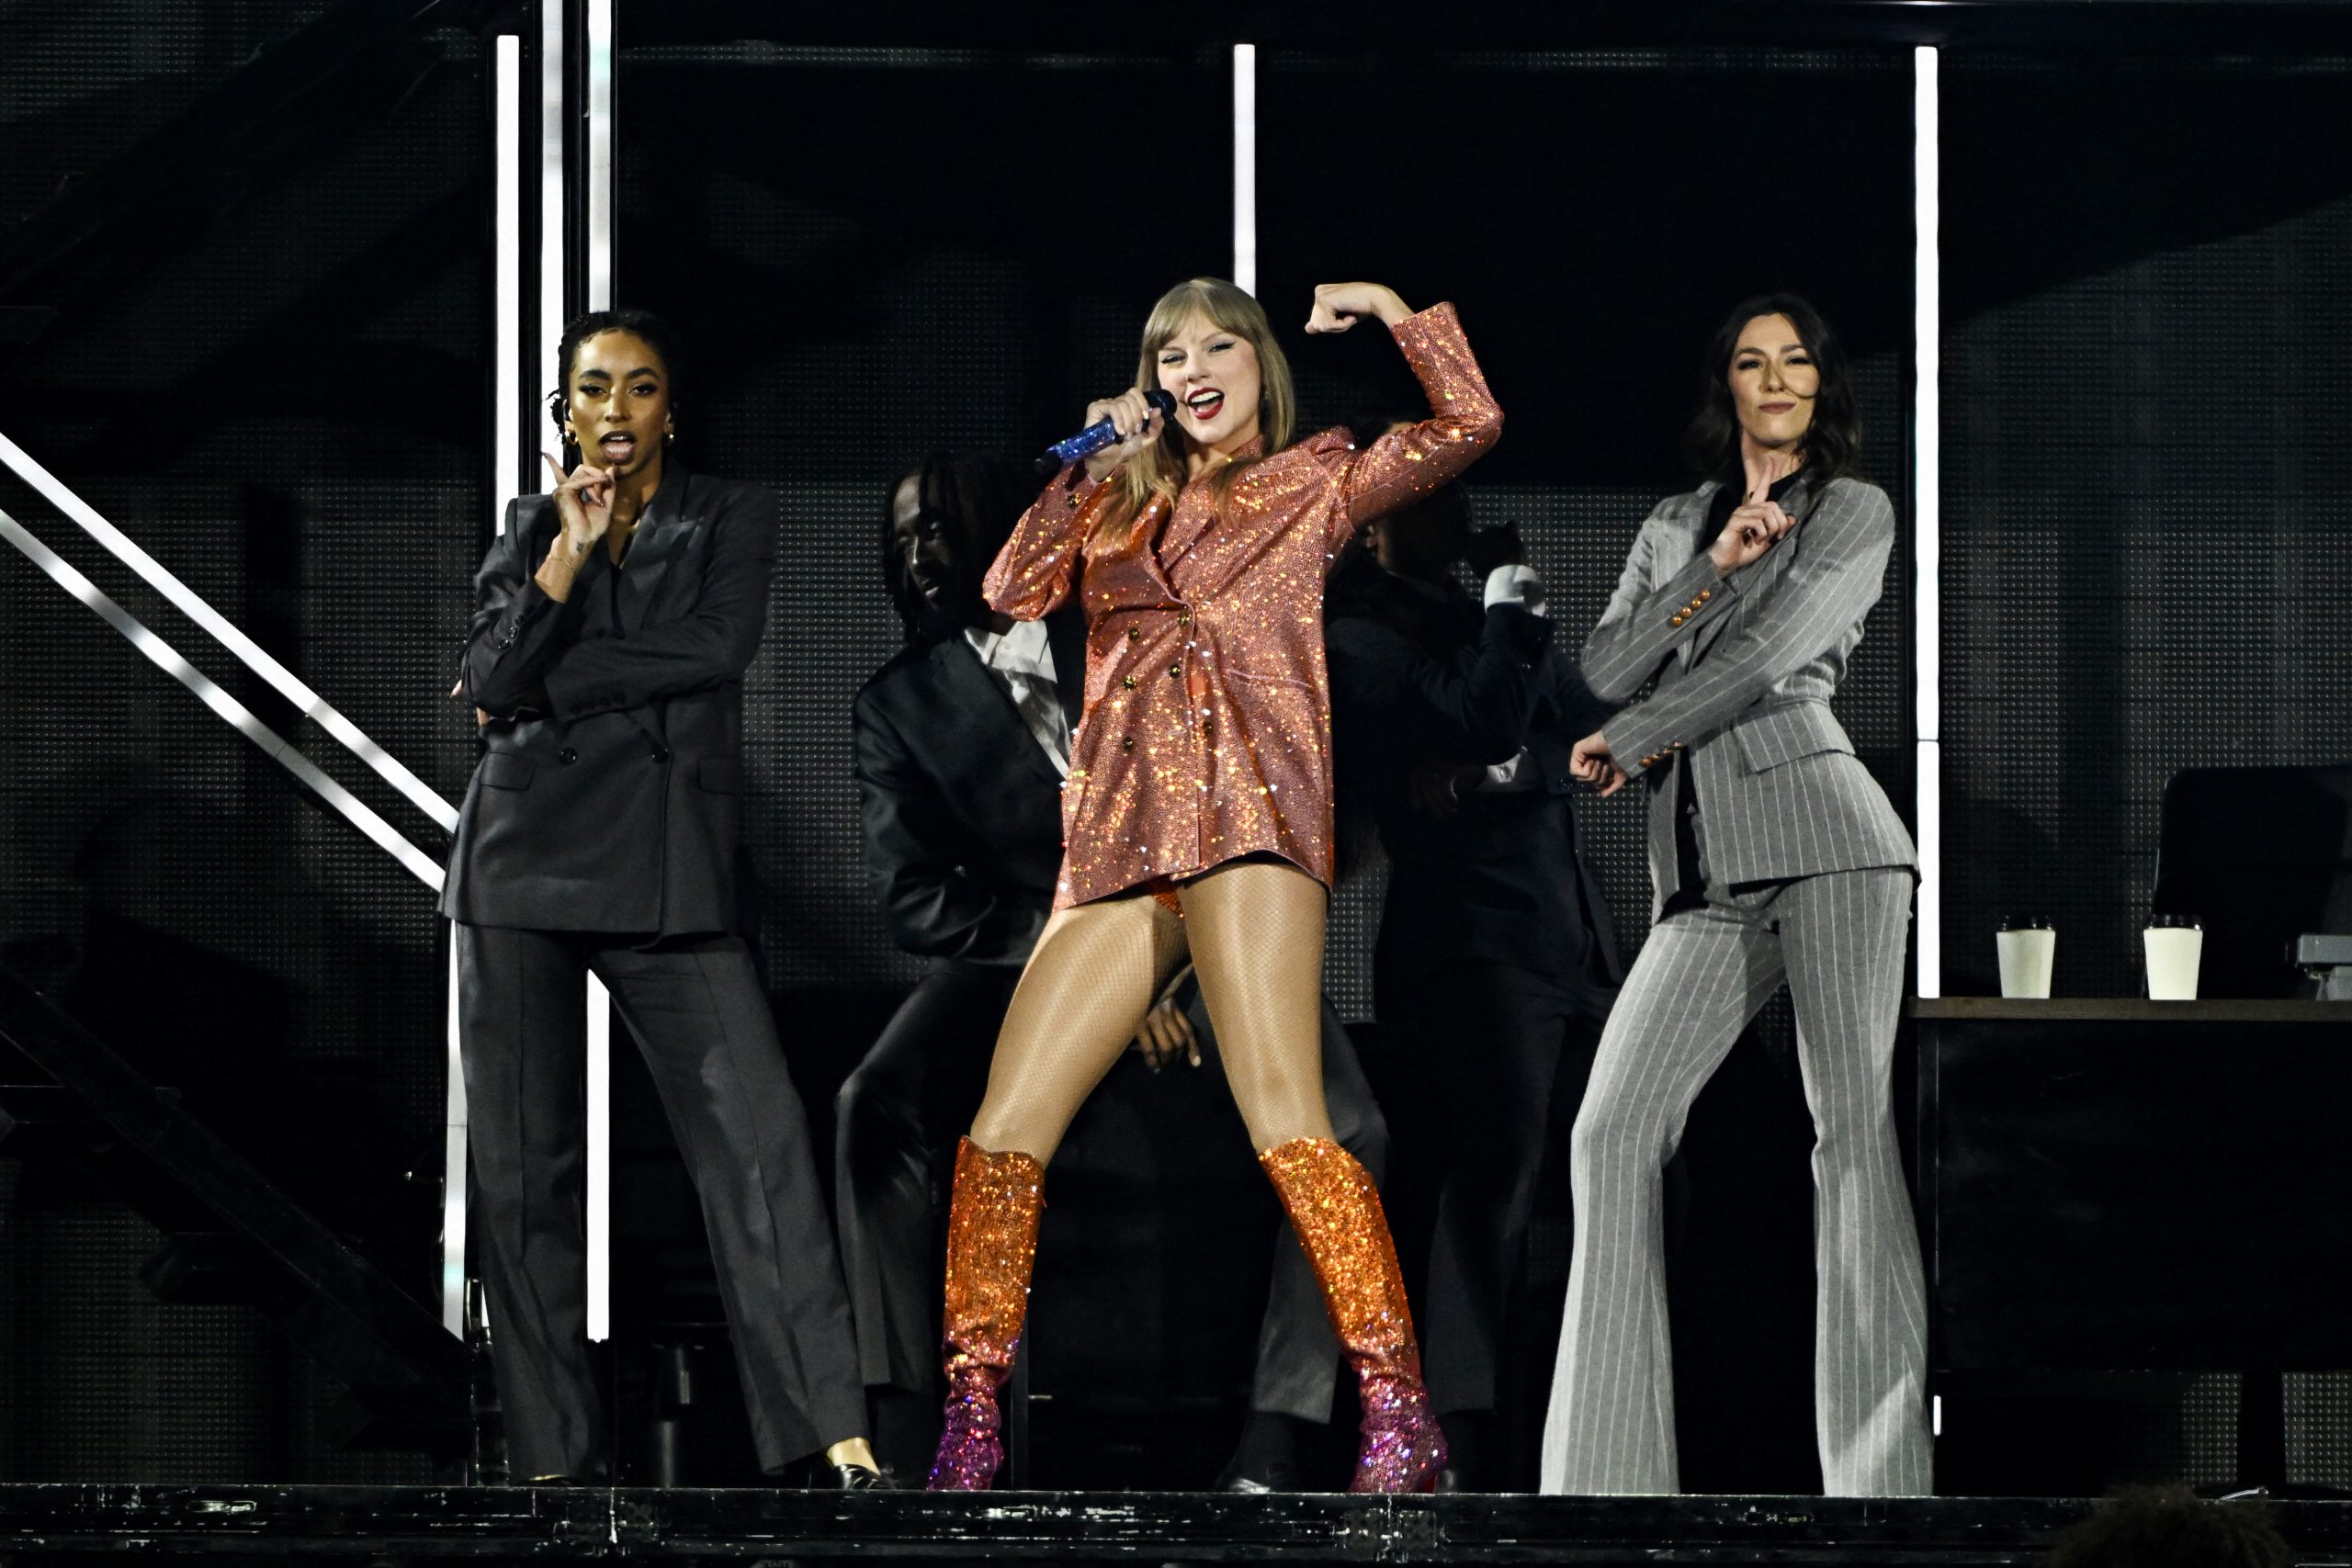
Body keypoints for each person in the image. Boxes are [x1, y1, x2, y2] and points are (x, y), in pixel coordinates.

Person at [923, 277, 1501, 1494]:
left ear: (1257, 367)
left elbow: (1468, 424)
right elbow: (1006, 591)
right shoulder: (1111, 503)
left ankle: (1399, 1409)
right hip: (1122, 838)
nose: (1191, 365)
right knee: (1002, 1127)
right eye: (1167, 350)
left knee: (1289, 1118)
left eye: (1215, 344)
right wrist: (1089, 451)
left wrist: (1398, 310)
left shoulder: (1314, 479)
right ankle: (971, 1416)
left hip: (1251, 818)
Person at [839, 452, 1390, 1488]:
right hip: (1029, 944)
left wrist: (1167, 967)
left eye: (943, 522)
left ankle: (1293, 1430)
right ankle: (924, 1419)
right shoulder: (898, 703)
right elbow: (919, 901)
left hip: (1210, 900)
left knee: (1345, 1124)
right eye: (903, 533)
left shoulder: (1114, 596)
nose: (923, 552)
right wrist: (1086, 965)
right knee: (880, 1100)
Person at [442, 309, 885, 1488]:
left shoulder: (729, 513)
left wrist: (538, 695)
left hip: (668, 869)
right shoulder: (530, 530)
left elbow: (715, 645)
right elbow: (486, 674)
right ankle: (553, 1458)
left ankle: (829, 1431)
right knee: (519, 1172)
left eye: (642, 388)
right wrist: (564, 562)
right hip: (518, 864)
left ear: (668, 411)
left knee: (761, 1144)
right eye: (597, 388)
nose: (619, 409)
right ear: (566, 411)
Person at [1538, 294, 1928, 1496]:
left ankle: (1879, 1483)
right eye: (1752, 361)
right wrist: (1713, 566)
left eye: (1795, 359)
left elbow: (1772, 660)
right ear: (1727, 384)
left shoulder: (1855, 506)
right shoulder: (1674, 524)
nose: (1775, 378)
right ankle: (1603, 1479)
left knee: (1849, 1139)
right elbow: (1598, 666)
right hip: (1701, 869)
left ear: (1821, 384)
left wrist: (1640, 734)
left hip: (1827, 831)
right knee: (1609, 1133)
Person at [1323, 468, 1620, 1491]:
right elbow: (1486, 723)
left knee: (1588, 1185)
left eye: (1452, 493)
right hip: (1468, 949)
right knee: (1483, 1181)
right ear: (1369, 530)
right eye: (1422, 497)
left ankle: (1568, 1424)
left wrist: (1508, 752)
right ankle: (1458, 1433)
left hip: (1566, 938)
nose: (1453, 512)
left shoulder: (1480, 617)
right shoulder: (1356, 637)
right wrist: (1503, 628)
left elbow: (1584, 725)